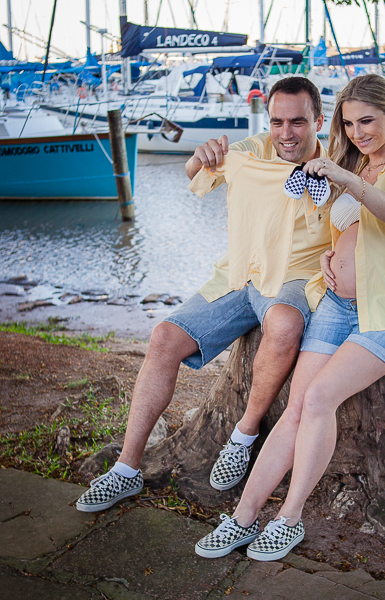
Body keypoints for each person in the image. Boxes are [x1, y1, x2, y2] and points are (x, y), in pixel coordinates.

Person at [194, 73, 385, 560]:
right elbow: (337, 226)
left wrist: (346, 179)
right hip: (338, 304)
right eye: (349, 124)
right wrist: (331, 256)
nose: (358, 132)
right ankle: (242, 518)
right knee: (297, 406)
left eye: (367, 121)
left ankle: (290, 519)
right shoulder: (353, 162)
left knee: (321, 397)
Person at [75, 77, 332, 512]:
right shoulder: (251, 152)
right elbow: (196, 175)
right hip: (241, 272)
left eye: (298, 122)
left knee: (285, 324)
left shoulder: (338, 163)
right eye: (277, 122)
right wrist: (199, 156)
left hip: (294, 278)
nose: (286, 133)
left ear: (319, 121)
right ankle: (126, 468)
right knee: (163, 337)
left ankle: (243, 435)